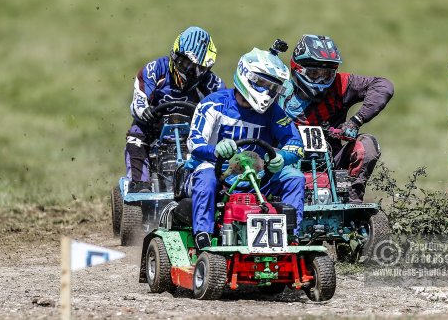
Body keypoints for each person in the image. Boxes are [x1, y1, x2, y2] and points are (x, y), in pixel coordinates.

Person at [186, 42, 305, 249]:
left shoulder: (274, 112)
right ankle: (203, 237)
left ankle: (291, 237)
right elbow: (194, 143)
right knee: (205, 176)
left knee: (295, 177)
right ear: (245, 75)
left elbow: (296, 144)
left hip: (256, 178)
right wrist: (215, 150)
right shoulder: (213, 104)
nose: (268, 93)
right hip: (215, 173)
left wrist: (282, 158)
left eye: (273, 88)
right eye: (263, 84)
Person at [279, 34, 394, 203]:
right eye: (314, 73)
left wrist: (356, 121)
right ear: (297, 68)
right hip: (283, 161)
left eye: (326, 75)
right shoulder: (277, 92)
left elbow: (384, 86)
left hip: (331, 161)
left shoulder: (341, 84)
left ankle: (351, 202)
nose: (320, 80)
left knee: (367, 145)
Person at [125, 26, 225, 193]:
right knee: (135, 137)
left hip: (194, 132)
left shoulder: (213, 83)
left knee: (220, 144)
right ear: (175, 55)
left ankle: (216, 186)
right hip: (154, 128)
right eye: (186, 63)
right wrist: (145, 111)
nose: (190, 71)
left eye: (197, 68)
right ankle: (140, 186)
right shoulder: (154, 70)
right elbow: (138, 101)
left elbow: (225, 114)